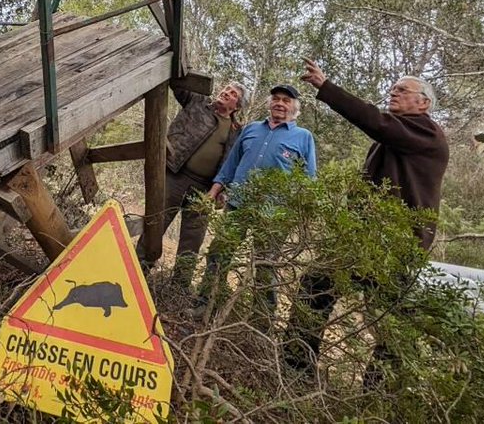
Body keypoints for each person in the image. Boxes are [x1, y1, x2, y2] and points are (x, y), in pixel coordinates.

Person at [284, 59, 449, 382]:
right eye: (394, 87)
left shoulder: (426, 132)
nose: (394, 91)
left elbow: (376, 122)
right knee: (317, 289)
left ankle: (378, 393)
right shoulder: (400, 135)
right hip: (364, 237)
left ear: (424, 103)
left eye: (403, 90)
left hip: (392, 244)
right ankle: (295, 371)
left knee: (391, 323)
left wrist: (326, 87)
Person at [198, 84, 317, 306]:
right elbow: (231, 164)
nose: (280, 103)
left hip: (274, 214)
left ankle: (260, 324)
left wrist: (299, 216)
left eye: (286, 100)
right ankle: (205, 303)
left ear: (295, 108)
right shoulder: (251, 129)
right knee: (218, 253)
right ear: (269, 103)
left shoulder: (303, 137)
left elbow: (308, 180)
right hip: (237, 204)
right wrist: (214, 191)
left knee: (264, 266)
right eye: (276, 99)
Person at [137, 79, 250, 286]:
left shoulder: (236, 131)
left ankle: (178, 287)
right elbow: (177, 83)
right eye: (226, 89)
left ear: (237, 106)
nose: (226, 92)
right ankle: (137, 270)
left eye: (233, 94)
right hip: (175, 174)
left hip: (205, 189)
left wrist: (222, 191)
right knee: (155, 223)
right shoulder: (197, 101)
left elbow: (232, 162)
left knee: (193, 239)